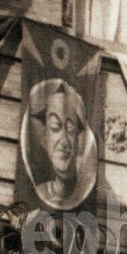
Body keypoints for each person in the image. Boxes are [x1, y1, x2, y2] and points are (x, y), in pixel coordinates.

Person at [22, 79, 96, 211]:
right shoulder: (43, 191)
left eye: (70, 130)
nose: (64, 141)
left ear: (79, 142)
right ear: (45, 138)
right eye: (55, 127)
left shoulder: (84, 190)